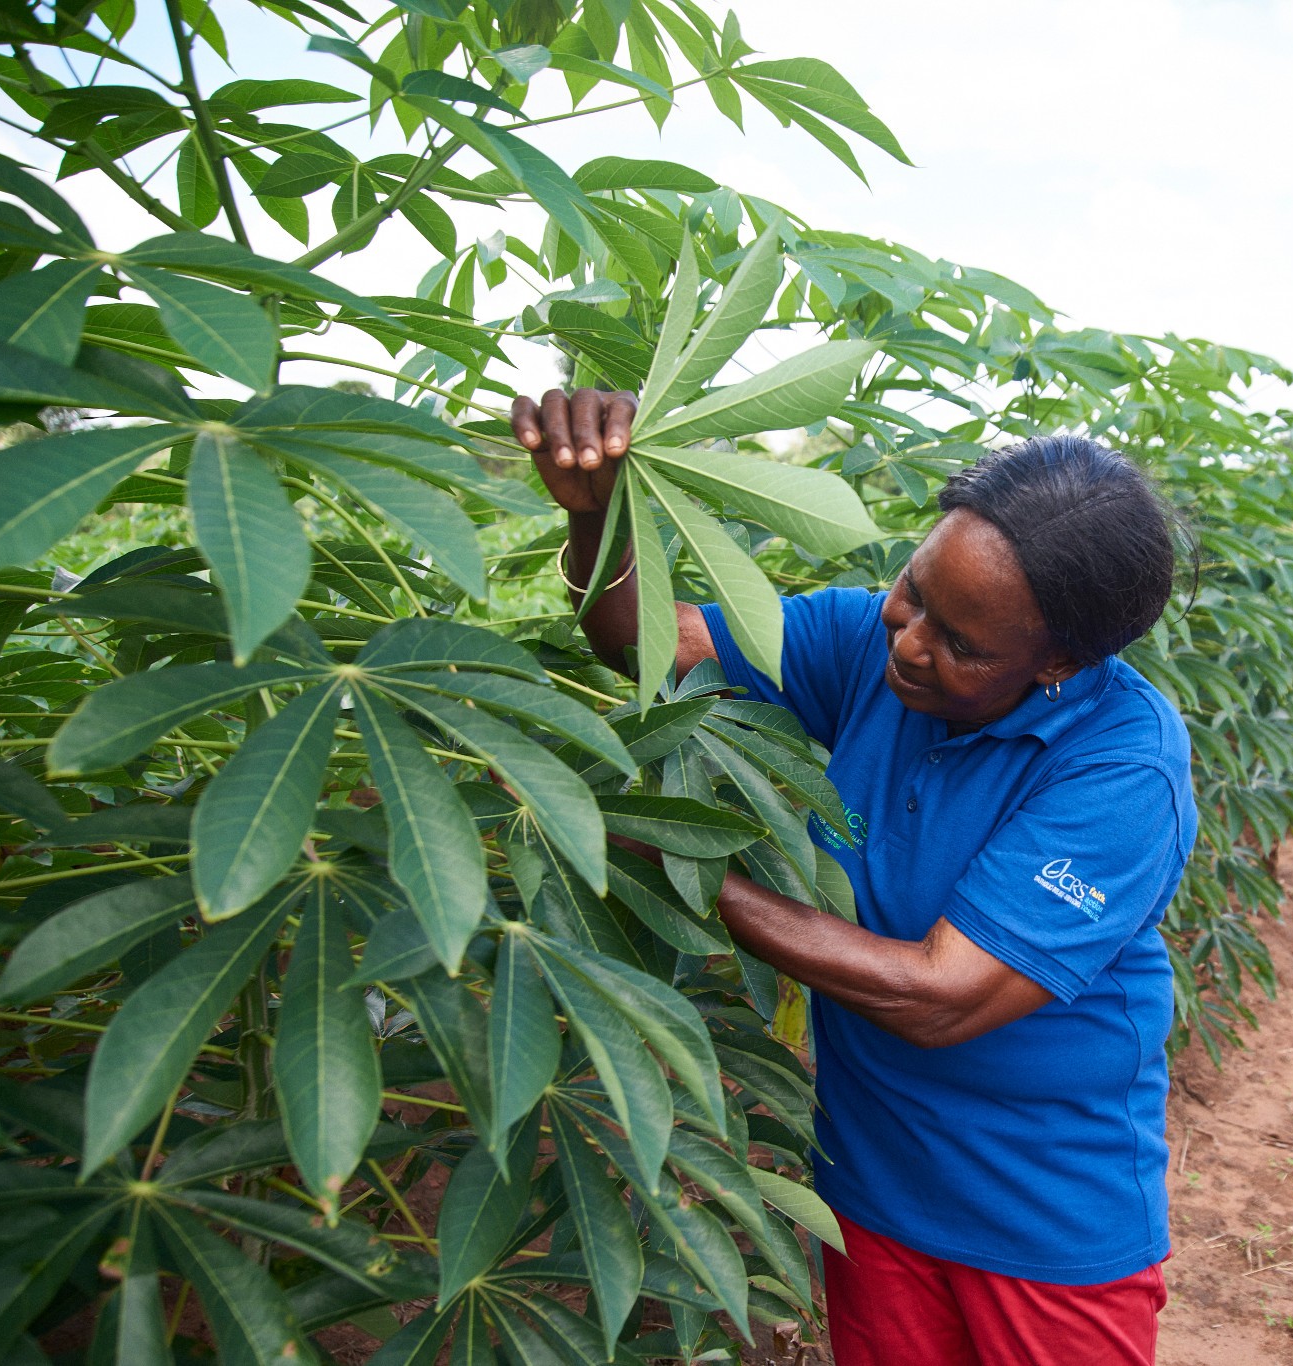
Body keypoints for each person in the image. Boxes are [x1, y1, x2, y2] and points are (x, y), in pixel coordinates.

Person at [512, 387, 1198, 1366]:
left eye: (960, 643)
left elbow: (938, 994)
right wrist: (592, 512)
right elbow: (645, 643)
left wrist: (674, 856)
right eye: (913, 590)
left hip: (1044, 1216)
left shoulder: (1120, 765)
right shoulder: (864, 649)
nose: (908, 641)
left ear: (1056, 662)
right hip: (873, 1185)